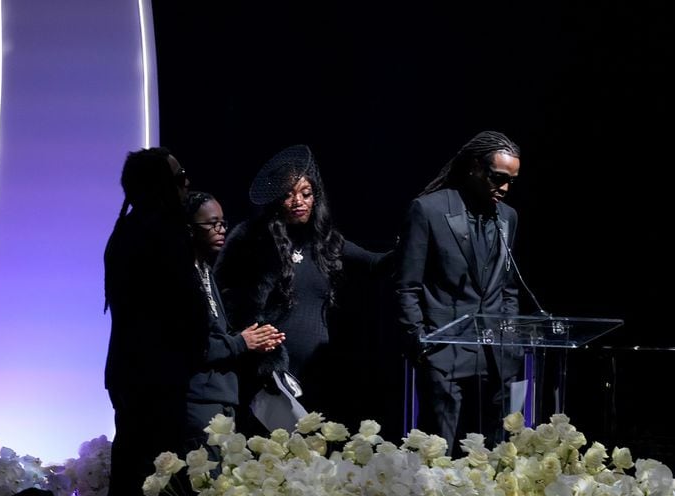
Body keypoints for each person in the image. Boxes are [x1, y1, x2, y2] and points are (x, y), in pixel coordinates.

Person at [215, 144, 390, 427]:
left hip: (318, 376)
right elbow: (234, 302)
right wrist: (266, 362)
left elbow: (377, 264)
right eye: (288, 195)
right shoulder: (253, 241)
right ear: (275, 200)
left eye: (305, 194)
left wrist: (418, 239)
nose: (298, 201)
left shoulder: (325, 242)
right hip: (270, 381)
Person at [394, 130, 524, 456]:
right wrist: (422, 344)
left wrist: (510, 336)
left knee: (495, 457)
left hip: (497, 356)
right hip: (444, 352)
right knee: (437, 457)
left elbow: (507, 286)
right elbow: (407, 285)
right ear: (474, 168)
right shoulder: (429, 210)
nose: (505, 188)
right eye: (498, 178)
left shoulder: (508, 217)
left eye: (511, 180)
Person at [102, 147, 206, 496]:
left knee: (129, 473)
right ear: (162, 186)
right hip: (157, 378)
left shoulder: (124, 232)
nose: (187, 184)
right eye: (180, 178)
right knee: (158, 482)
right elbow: (183, 309)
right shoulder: (165, 233)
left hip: (129, 374)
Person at [183, 190, 285, 458]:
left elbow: (218, 334)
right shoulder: (184, 276)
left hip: (221, 399)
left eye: (223, 223)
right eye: (211, 224)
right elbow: (194, 345)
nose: (220, 230)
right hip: (198, 403)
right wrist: (242, 342)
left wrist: (254, 341)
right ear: (188, 228)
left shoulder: (206, 271)